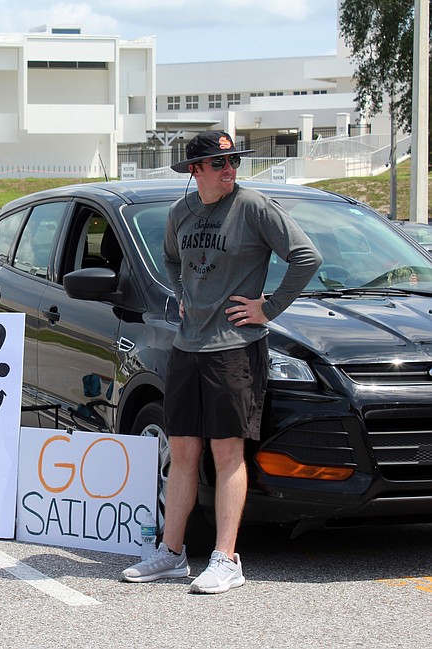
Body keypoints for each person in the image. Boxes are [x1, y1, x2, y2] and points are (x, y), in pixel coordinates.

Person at [120, 131, 321, 593]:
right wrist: (183, 294)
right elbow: (171, 260)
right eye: (218, 162)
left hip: (235, 347)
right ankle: (171, 554)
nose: (229, 169)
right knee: (184, 451)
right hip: (188, 347)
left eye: (232, 160)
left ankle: (226, 558)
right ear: (195, 170)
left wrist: (268, 308)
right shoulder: (179, 213)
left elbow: (306, 257)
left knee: (227, 452)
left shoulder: (253, 206)